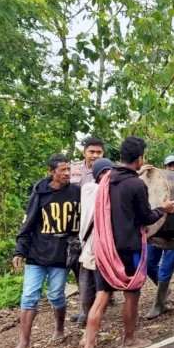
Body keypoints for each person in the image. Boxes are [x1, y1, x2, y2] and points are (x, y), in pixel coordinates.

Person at [80, 137, 174, 348]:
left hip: (105, 247)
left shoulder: (107, 179)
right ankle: (129, 339)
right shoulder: (136, 184)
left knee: (102, 297)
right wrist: (164, 209)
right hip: (129, 248)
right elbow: (145, 218)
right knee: (131, 295)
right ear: (140, 158)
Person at [0, 154, 81, 348]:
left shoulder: (76, 192)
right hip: (37, 253)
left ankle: (59, 328)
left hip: (61, 253)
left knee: (56, 295)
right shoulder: (40, 193)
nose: (67, 173)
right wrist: (19, 251)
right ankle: (24, 344)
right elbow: (27, 224)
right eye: (62, 170)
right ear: (51, 172)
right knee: (29, 296)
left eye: (68, 169)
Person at [77, 158, 114, 346]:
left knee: (101, 292)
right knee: (87, 294)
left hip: (101, 251)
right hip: (90, 250)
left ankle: (91, 334)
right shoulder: (90, 189)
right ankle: (89, 335)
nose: (107, 176)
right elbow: (105, 191)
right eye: (103, 173)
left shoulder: (110, 190)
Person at [70, 136, 105, 325]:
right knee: (78, 265)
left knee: (93, 266)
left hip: (98, 227)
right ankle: (88, 306)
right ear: (84, 152)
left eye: (98, 152)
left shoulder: (107, 171)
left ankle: (93, 308)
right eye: (91, 152)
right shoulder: (74, 171)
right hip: (78, 225)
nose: (95, 155)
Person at [145, 154, 174, 319]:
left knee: (165, 269)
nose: (173, 168)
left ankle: (159, 303)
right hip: (156, 231)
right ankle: (164, 290)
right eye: (170, 166)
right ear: (164, 167)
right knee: (148, 264)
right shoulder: (156, 183)